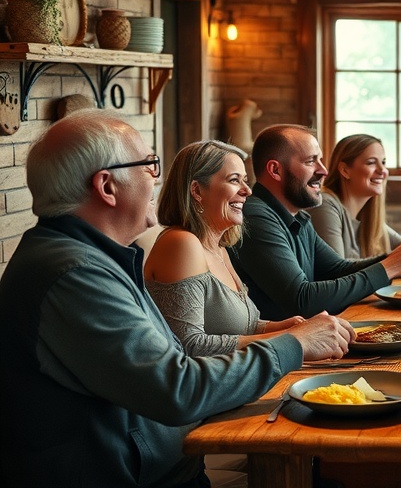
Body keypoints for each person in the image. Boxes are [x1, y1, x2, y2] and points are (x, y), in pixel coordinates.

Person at [0, 109, 354, 486]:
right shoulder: (74, 273)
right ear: (107, 186)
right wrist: (293, 345)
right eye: (150, 165)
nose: (158, 178)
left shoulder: (92, 257)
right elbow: (177, 388)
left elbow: (173, 359)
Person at [229, 124, 401, 321]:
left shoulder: (297, 217)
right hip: (285, 352)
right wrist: (390, 267)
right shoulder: (255, 217)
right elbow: (303, 300)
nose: (324, 170)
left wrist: (397, 258)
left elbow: (337, 269)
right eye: (311, 161)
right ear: (275, 170)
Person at [145, 140, 314, 357]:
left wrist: (287, 326)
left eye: (245, 180)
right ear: (197, 190)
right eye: (235, 180)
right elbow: (188, 345)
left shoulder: (220, 248)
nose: (247, 191)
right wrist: (292, 339)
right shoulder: (180, 243)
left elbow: (243, 327)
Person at [310, 134, 401, 259]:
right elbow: (335, 270)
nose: (382, 170)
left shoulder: (368, 216)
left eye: (383, 162)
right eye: (371, 163)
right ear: (345, 170)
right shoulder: (325, 204)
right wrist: (396, 260)